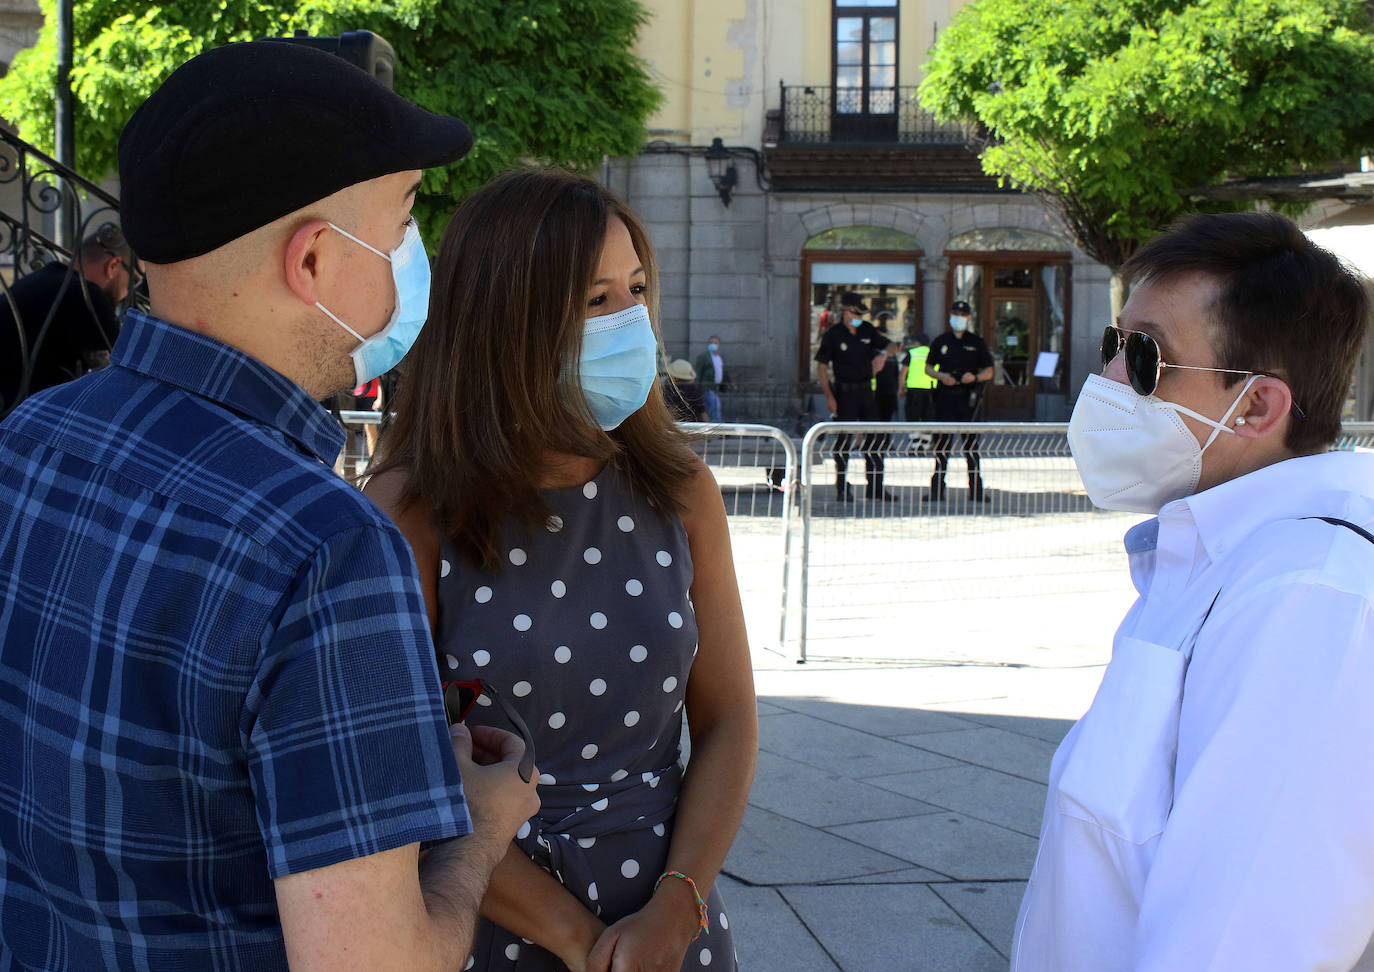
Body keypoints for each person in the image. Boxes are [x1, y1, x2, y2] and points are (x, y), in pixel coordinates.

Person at [0, 41, 538, 971]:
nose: (417, 256)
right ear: (316, 259)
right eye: (406, 219)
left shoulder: (30, 438)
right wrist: (481, 832)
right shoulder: (327, 551)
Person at [363, 168, 757, 972]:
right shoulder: (412, 510)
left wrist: (676, 910)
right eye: (593, 301)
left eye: (636, 289)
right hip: (486, 914)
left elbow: (728, 721)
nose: (629, 321)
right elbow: (398, 769)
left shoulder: (681, 492)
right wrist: (583, 944)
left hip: (666, 918)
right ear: (506, 322)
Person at [1013, 211, 1374, 970]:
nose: (1108, 377)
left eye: (1146, 356)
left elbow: (1246, 940)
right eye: (1115, 343)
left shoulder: (1309, 597)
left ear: (1257, 406)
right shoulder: (1214, 555)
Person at [0, 224, 133, 412]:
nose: (128, 292)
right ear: (113, 266)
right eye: (133, 279)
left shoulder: (45, 280)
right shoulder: (85, 294)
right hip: (19, 416)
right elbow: (122, 372)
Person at [815, 291, 894, 502]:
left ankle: (876, 487)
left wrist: (884, 355)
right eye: (856, 313)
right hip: (844, 392)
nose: (859, 317)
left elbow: (891, 345)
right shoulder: (833, 334)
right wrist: (829, 396)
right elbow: (822, 367)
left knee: (875, 439)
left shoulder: (867, 330)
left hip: (866, 391)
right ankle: (842, 489)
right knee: (843, 443)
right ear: (846, 312)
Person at [925, 299, 993, 503]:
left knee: (971, 448)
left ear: (969, 318)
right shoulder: (941, 341)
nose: (959, 318)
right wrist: (942, 376)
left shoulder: (976, 342)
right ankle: (936, 491)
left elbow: (989, 371)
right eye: (955, 314)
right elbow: (928, 368)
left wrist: (975, 378)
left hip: (968, 400)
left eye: (962, 315)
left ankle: (976, 491)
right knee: (942, 447)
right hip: (945, 398)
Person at [899, 333, 936, 422]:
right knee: (929, 416)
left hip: (914, 389)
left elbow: (903, 373)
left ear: (918, 342)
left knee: (913, 416)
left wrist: (900, 389)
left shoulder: (912, 353)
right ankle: (926, 435)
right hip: (931, 389)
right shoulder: (933, 353)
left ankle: (914, 435)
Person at [693, 334, 727, 423]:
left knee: (709, 410)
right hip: (707, 388)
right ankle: (718, 430)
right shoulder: (704, 357)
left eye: (715, 343)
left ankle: (709, 429)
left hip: (716, 387)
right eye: (711, 342)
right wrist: (697, 385)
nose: (713, 344)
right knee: (715, 409)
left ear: (719, 345)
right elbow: (698, 371)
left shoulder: (720, 357)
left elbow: (724, 371)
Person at [664, 357, 708, 422]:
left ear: (673, 377)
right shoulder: (696, 390)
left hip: (676, 426)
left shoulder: (671, 390)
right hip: (694, 427)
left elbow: (669, 412)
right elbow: (703, 414)